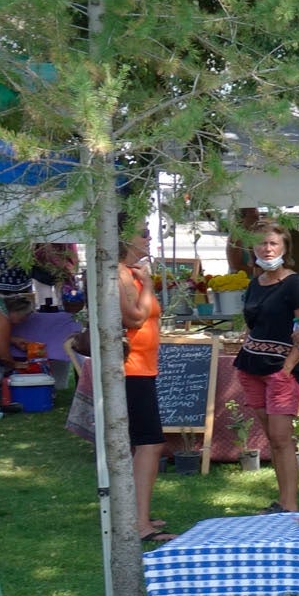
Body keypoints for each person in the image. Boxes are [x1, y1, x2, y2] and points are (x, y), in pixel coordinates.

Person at [233, 225, 299, 514]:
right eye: (261, 244)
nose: (267, 249)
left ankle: (290, 505)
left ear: (285, 248)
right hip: (251, 366)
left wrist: (287, 368)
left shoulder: (295, 284)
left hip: (282, 370)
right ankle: (283, 501)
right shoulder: (255, 282)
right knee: (273, 440)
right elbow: (252, 324)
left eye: (272, 243)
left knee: (282, 439)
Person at [118, 221, 171, 544]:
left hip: (143, 368)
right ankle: (139, 524)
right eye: (144, 233)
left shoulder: (130, 273)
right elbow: (134, 317)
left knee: (144, 444)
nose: (149, 238)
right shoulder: (121, 274)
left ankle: (139, 515)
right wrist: (148, 285)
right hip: (130, 369)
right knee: (150, 443)